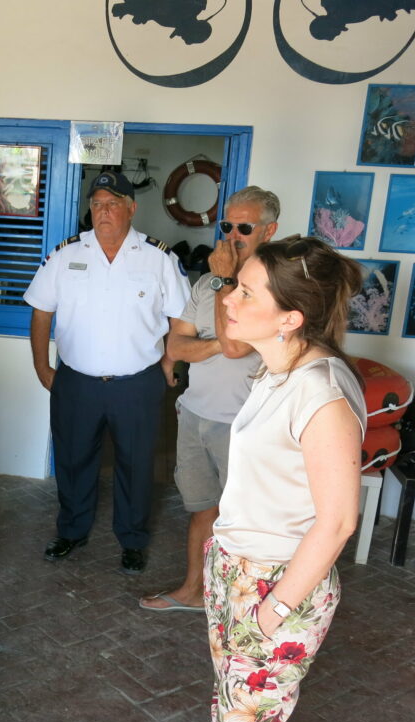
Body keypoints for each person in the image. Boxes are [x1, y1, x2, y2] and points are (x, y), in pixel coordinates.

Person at [205, 235, 365, 722]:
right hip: (235, 569)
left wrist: (272, 610)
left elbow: (339, 521)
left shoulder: (320, 392)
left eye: (246, 292)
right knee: (235, 720)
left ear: (289, 318)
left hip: (277, 582)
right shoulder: (278, 369)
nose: (228, 298)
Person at [24, 170, 191, 573]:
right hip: (76, 382)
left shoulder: (158, 258)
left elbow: (182, 319)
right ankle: (71, 531)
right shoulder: (66, 255)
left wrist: (169, 364)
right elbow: (41, 313)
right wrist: (43, 367)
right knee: (72, 459)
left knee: (135, 464)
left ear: (132, 208)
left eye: (113, 203)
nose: (103, 211)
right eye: (97, 204)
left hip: (137, 384)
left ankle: (132, 540)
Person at [140, 186, 279, 612]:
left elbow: (236, 349)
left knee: (244, 519)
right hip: (195, 413)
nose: (233, 235)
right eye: (227, 225)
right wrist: (219, 339)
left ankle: (242, 605)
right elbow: (176, 347)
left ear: (269, 231)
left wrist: (223, 286)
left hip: (242, 425)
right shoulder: (205, 284)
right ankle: (193, 592)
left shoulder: (275, 286)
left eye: (245, 227)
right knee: (202, 510)